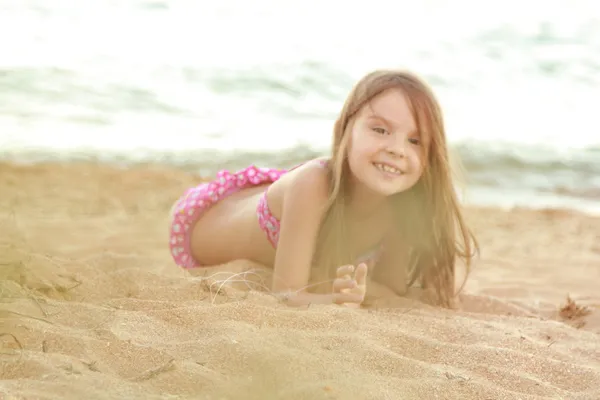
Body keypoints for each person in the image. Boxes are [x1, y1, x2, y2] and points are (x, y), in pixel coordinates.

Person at [168, 69, 479, 308]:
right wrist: (336, 301)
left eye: (415, 140)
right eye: (380, 129)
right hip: (204, 221)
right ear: (345, 130)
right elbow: (285, 295)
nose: (397, 149)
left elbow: (389, 289)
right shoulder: (312, 185)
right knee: (305, 189)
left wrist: (364, 291)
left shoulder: (400, 204)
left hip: (289, 201)